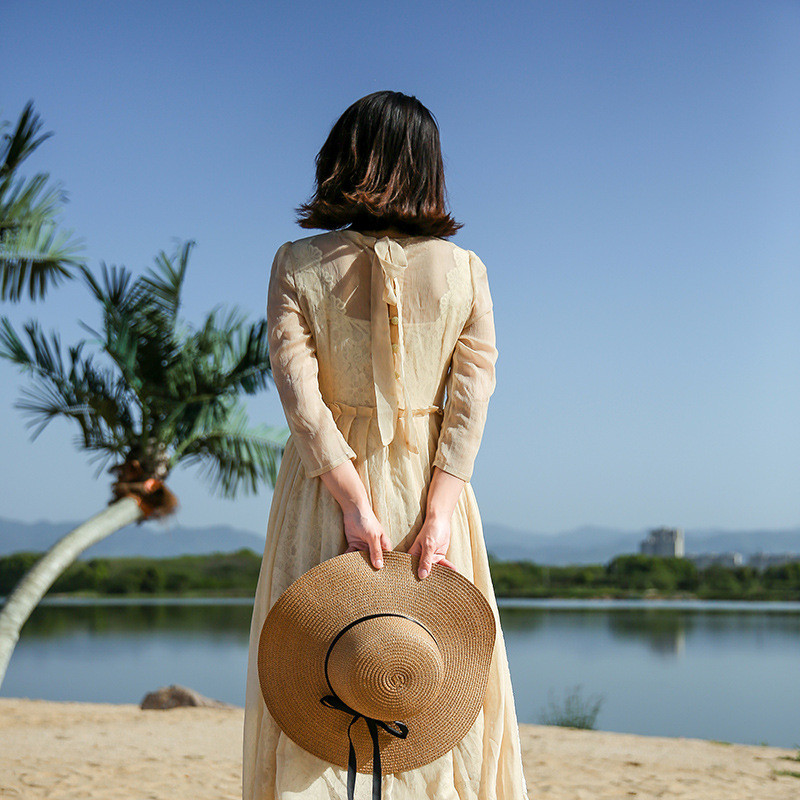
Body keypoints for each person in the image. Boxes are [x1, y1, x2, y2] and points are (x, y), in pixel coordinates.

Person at [242, 90, 530, 800]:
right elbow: (472, 399)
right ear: (428, 168)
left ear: (341, 159)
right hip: (434, 487)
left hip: (324, 487)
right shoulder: (466, 270)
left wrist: (350, 499)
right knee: (430, 679)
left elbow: (299, 396)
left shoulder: (296, 262)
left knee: (313, 673)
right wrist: (440, 509)